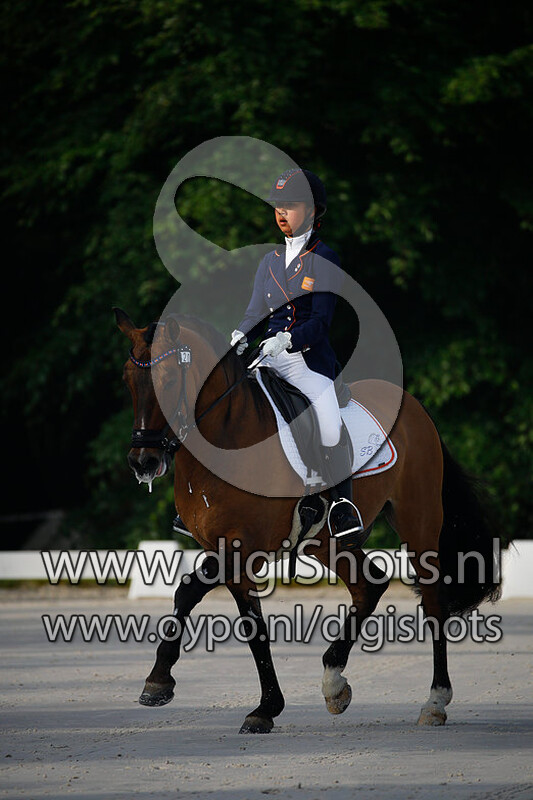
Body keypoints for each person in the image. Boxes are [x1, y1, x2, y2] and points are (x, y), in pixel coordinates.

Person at [173, 168, 364, 545]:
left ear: (312, 211)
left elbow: (321, 322)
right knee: (221, 405)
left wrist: (288, 339)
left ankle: (342, 505)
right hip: (267, 357)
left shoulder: (324, 258)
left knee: (328, 421)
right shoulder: (269, 261)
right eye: (278, 206)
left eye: (290, 205)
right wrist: (241, 334)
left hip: (307, 361)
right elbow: (255, 312)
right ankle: (200, 496)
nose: (281, 212)